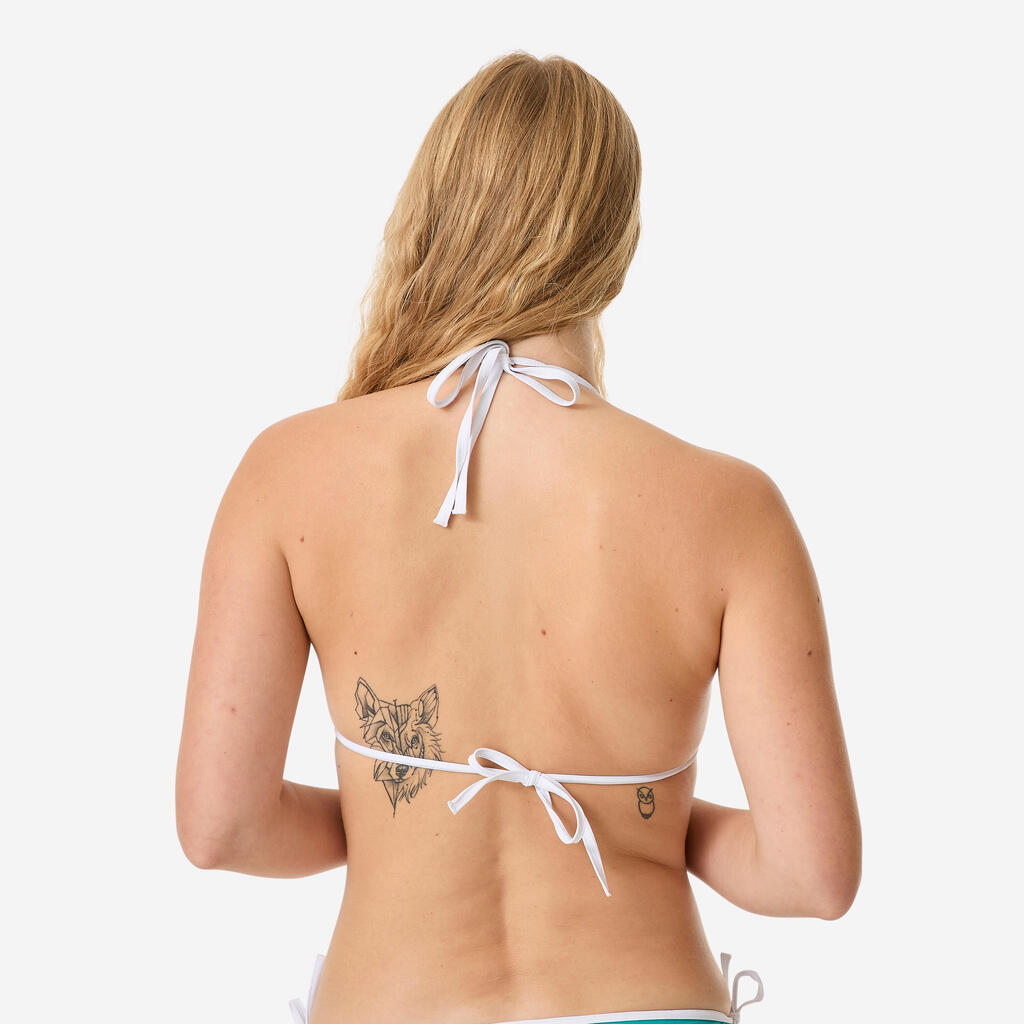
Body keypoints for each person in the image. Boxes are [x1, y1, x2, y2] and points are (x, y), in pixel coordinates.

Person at [175, 50, 861, 1024]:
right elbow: (811, 874)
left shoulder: (287, 470)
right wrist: (642, 820)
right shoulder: (729, 505)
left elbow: (221, 828)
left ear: (436, 210)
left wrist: (391, 813)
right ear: (617, 242)